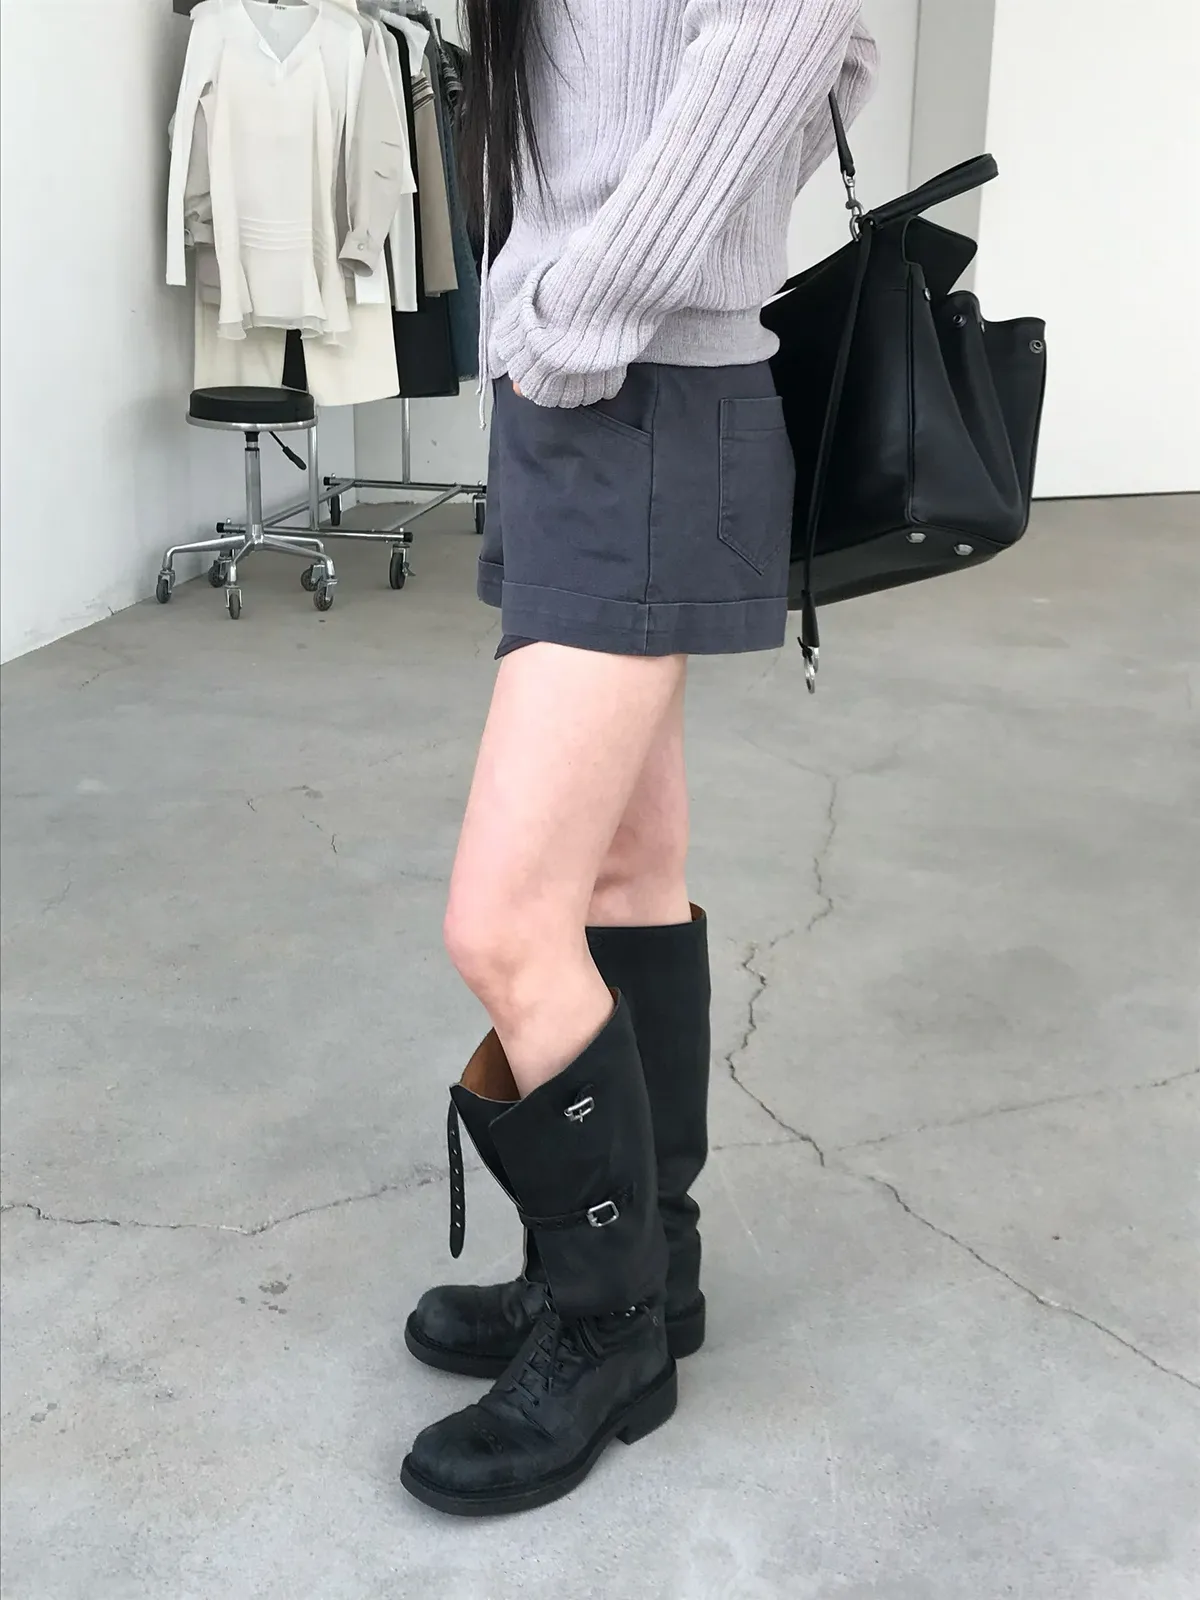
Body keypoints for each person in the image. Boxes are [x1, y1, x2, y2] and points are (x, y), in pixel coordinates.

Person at [399, 0, 877, 1517]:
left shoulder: (599, 337)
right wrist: (558, 327)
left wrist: (581, 308)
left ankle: (607, 1333)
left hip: (639, 388)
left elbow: (793, 42)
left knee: (501, 924)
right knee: (621, 877)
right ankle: (642, 1274)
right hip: (591, 398)